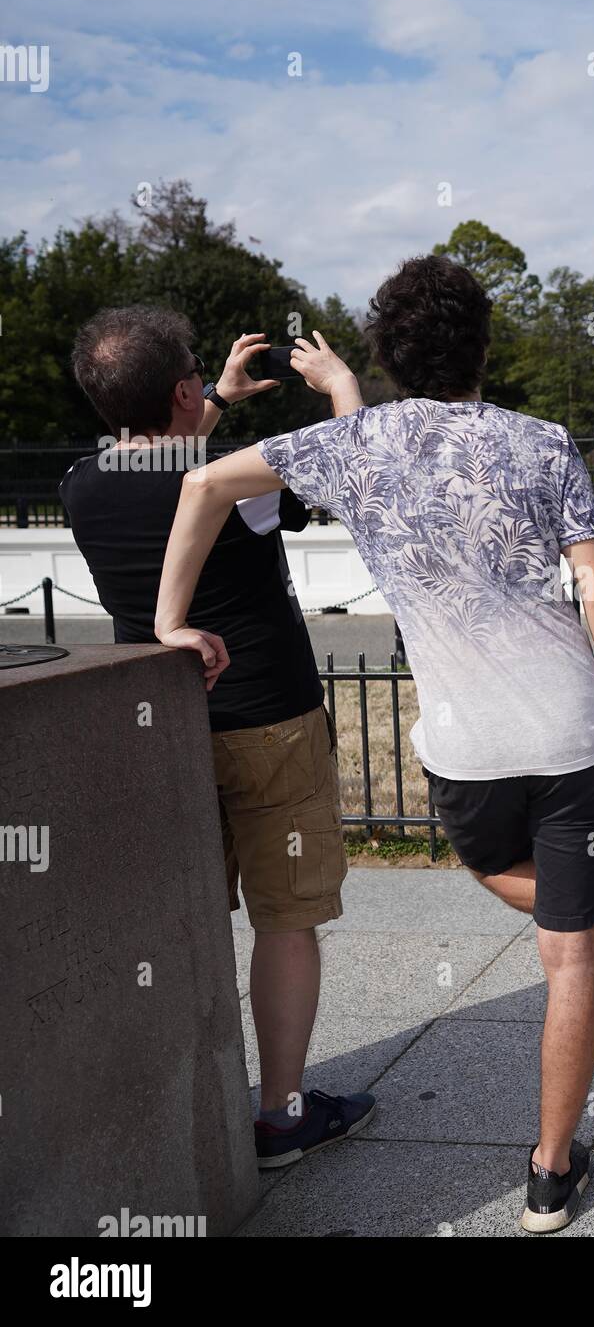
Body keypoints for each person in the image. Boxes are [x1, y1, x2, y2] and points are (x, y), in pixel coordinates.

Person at [151, 256, 594, 1234]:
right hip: (571, 725)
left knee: (492, 868)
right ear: (482, 346)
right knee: (563, 955)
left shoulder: (348, 444)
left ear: (387, 355)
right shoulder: (537, 443)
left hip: (465, 746)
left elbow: (200, 493)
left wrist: (166, 622)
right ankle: (549, 1168)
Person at [62, 306, 376, 1167]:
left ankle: (178, 1105)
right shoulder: (235, 476)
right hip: (268, 715)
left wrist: (214, 403)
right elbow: (359, 473)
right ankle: (281, 1112)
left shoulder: (79, 484)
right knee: (286, 919)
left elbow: (164, 463)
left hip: (159, 725)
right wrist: (339, 388)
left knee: (187, 918)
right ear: (182, 387)